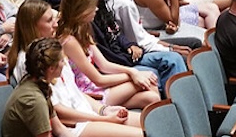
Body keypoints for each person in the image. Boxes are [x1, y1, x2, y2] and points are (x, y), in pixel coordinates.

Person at [9, 9, 143, 137]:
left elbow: (75, 93)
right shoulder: (31, 64)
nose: (56, 24)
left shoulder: (52, 50)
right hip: (75, 125)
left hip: (87, 114)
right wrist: (103, 119)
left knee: (149, 123)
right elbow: (58, 119)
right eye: (50, 20)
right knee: (143, 135)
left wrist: (103, 110)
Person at [73, 0, 186, 97]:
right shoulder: (89, 21)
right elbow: (106, 57)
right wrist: (130, 63)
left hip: (127, 55)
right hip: (119, 62)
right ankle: (174, 104)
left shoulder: (102, 7)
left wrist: (129, 45)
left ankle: (181, 103)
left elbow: (116, 33)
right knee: (154, 75)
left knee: (174, 58)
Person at [55, 0, 159, 112]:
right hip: (90, 94)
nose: (97, 9)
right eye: (93, 7)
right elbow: (99, 79)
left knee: (152, 97)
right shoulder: (69, 41)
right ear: (82, 11)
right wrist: (133, 74)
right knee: (148, 81)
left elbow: (104, 65)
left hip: (97, 86)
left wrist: (133, 72)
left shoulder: (83, 29)